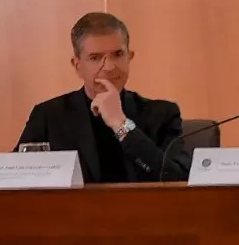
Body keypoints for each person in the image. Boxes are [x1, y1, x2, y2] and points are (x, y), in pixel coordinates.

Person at [16, 12, 190, 183]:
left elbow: (176, 180)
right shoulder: (48, 116)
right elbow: (14, 178)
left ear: (130, 57)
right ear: (77, 66)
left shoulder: (163, 114)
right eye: (95, 58)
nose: (109, 67)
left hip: (142, 210)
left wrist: (120, 124)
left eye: (118, 54)